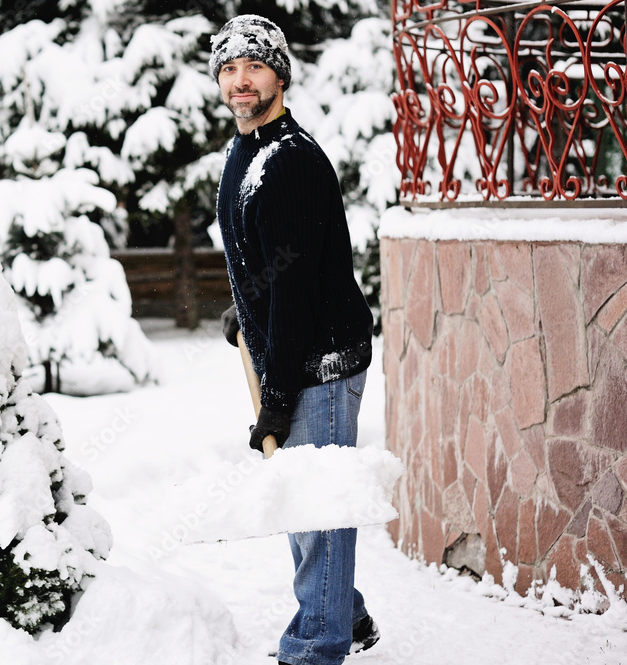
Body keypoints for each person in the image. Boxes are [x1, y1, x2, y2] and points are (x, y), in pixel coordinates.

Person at [210, 15, 379, 665]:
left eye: (253, 65)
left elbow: (297, 290)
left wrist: (277, 398)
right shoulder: (247, 151)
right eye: (228, 68)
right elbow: (270, 262)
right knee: (306, 509)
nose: (239, 80)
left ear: (280, 74)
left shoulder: (290, 162)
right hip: (289, 345)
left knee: (317, 509)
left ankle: (316, 645)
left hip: (321, 359)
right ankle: (346, 610)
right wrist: (242, 306)